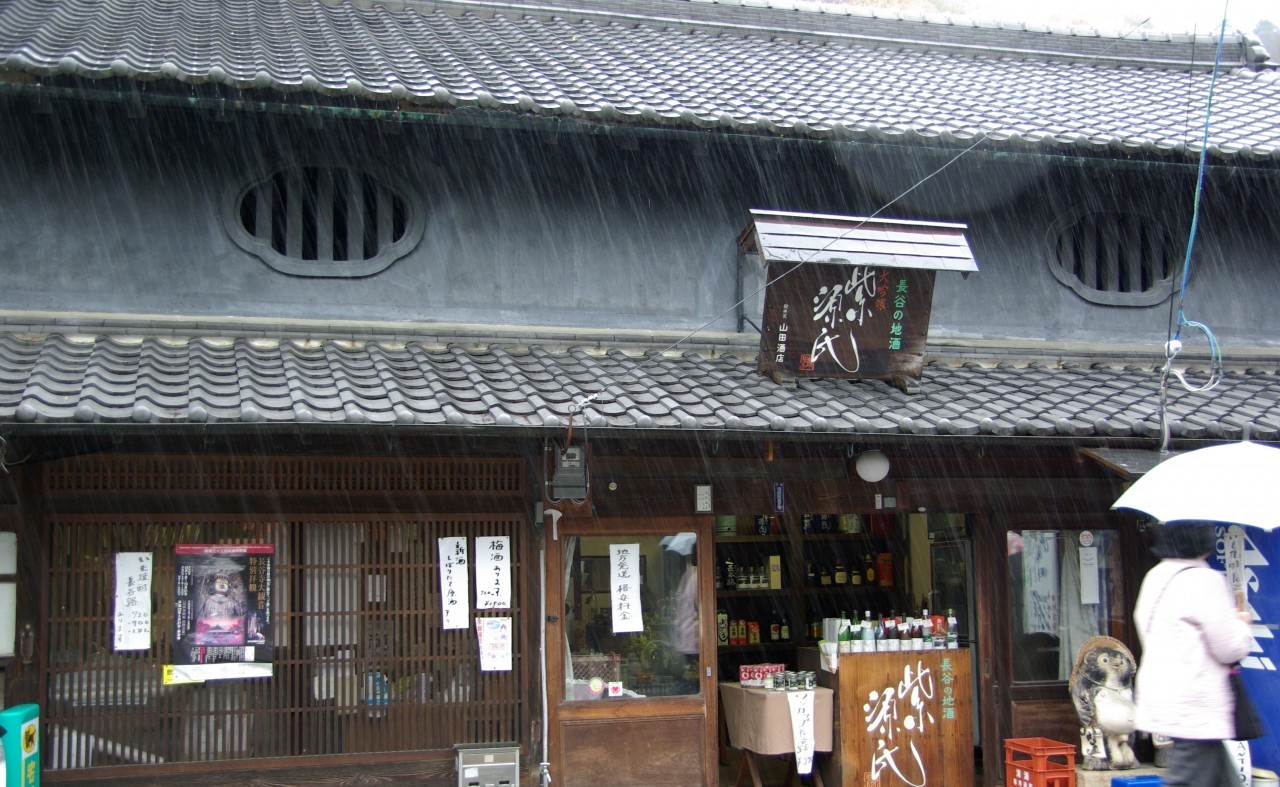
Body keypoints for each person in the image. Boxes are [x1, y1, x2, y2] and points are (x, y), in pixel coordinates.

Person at [1133, 522, 1253, 787]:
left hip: (1163, 693)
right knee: (1189, 778)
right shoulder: (1205, 579)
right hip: (1195, 703)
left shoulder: (1155, 576)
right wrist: (1242, 625)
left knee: (1222, 779)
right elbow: (1229, 648)